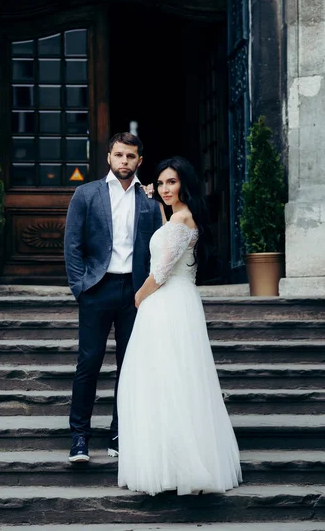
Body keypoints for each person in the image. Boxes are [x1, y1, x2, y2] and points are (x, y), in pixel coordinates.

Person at [117, 156, 242, 496]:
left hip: (167, 303)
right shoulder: (179, 217)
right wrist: (152, 199)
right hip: (179, 300)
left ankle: (176, 467)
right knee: (172, 380)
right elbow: (167, 239)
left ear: (184, 183)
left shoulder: (181, 220)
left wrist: (139, 298)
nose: (165, 188)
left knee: (167, 381)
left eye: (171, 182)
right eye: (160, 183)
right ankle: (171, 463)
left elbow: (160, 272)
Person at [64, 132, 162, 463]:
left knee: (129, 366)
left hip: (134, 293)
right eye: (119, 155)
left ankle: (119, 433)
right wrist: (80, 287)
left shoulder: (149, 200)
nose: (124, 161)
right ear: (109, 157)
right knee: (88, 364)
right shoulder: (86, 194)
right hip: (97, 288)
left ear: (139, 161)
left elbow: (156, 248)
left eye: (130, 156)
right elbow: (72, 244)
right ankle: (79, 438)